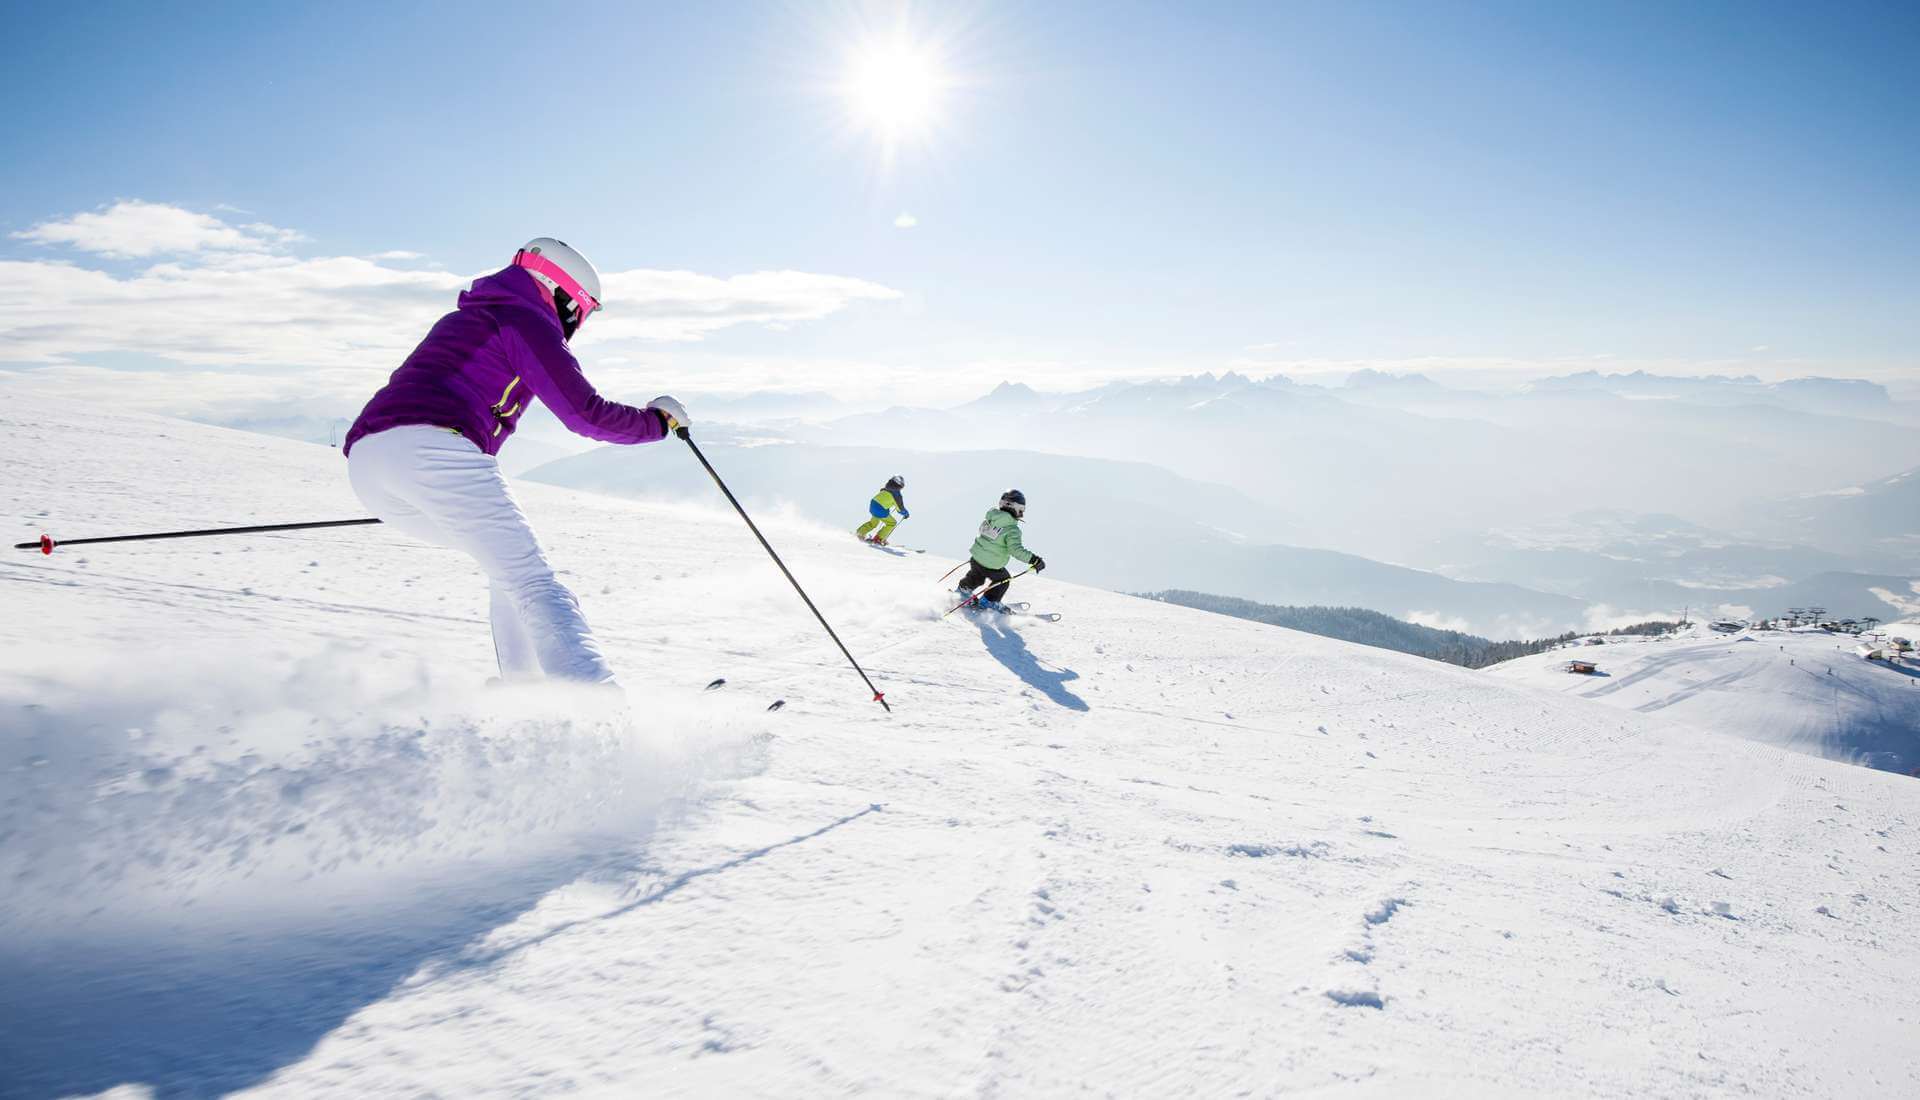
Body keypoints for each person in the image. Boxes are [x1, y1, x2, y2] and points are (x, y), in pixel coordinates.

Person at [343, 237, 688, 686]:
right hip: (431, 451)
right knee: (532, 580)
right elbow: (585, 414)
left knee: (504, 568)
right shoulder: (527, 319)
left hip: (369, 461)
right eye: (581, 313)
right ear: (565, 296)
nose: (576, 324)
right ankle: (596, 708)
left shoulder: (468, 317)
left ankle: (523, 690)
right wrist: (657, 423)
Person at [956, 489, 1046, 611]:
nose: (1022, 514)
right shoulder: (1011, 529)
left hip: (976, 558)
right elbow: (1015, 550)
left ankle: (963, 590)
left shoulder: (990, 519)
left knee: (977, 576)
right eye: (1021, 510)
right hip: (992, 564)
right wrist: (1034, 560)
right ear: (1014, 507)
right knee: (1003, 579)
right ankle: (988, 602)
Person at [854, 475, 910, 546]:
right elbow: (900, 509)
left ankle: (860, 533)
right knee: (892, 523)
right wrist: (906, 513)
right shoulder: (896, 495)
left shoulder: (885, 488)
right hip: (880, 510)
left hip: (873, 505)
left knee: (873, 523)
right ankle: (878, 539)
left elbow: (883, 499)